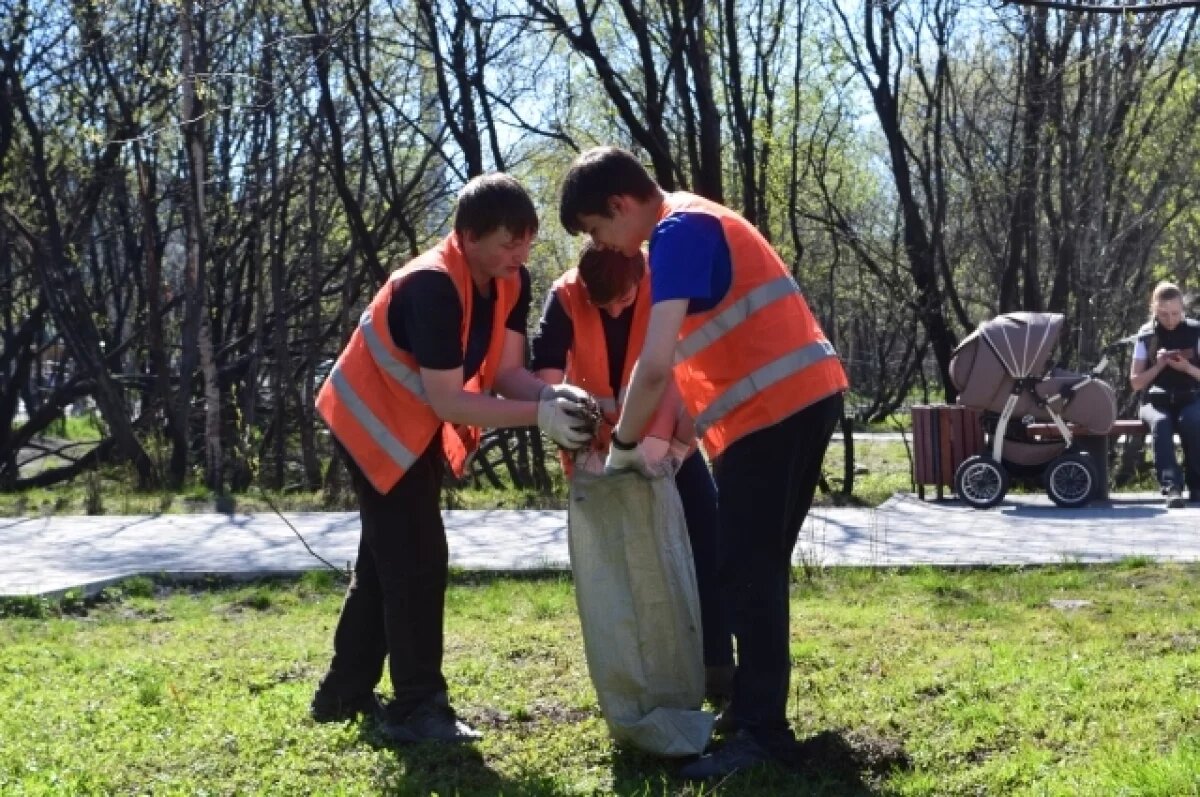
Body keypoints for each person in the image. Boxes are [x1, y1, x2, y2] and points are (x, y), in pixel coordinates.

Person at [558, 146, 849, 779]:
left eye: (597, 230)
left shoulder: (676, 232)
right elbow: (700, 361)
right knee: (755, 567)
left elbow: (656, 365)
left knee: (745, 567)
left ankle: (761, 731)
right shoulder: (693, 222)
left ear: (619, 204)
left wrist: (626, 449)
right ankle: (755, 714)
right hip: (797, 401)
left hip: (776, 412)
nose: (605, 246)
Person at [310, 174, 594, 744]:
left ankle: (341, 693)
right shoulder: (431, 286)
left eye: (526, 241)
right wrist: (539, 418)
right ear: (466, 236)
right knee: (416, 558)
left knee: (387, 560)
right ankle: (419, 706)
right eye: (506, 242)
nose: (519, 254)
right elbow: (446, 398)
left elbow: (509, 372)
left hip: (408, 425)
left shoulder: (510, 281)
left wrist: (548, 395)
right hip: (371, 422)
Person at [529, 241, 735, 704]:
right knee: (625, 569)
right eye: (605, 305)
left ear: (640, 274)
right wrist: (568, 422)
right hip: (601, 456)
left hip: (671, 449)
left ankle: (719, 671)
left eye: (624, 299)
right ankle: (645, 678)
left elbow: (694, 368)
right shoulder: (564, 297)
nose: (618, 311)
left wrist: (680, 445)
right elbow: (544, 379)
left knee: (709, 547)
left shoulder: (665, 283)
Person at [1129, 281, 1200, 508]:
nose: (1170, 319)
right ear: (1154, 309)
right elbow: (1136, 383)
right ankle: (1172, 487)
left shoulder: (1195, 331)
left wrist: (1187, 368)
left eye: (1175, 313)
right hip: (1155, 401)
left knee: (1192, 420)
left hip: (1190, 397)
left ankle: (1197, 485)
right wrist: (1159, 366)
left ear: (1183, 309)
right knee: (1161, 423)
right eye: (1163, 314)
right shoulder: (1146, 335)